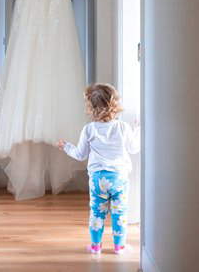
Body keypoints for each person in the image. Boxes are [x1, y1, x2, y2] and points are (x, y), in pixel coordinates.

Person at [56, 83, 140, 255]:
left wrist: (65, 146)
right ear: (115, 105)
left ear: (91, 108)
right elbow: (134, 148)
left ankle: (95, 246)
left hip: (97, 180)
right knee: (120, 213)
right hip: (119, 178)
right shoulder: (123, 127)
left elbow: (80, 154)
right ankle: (119, 247)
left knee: (96, 213)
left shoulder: (89, 130)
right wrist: (137, 130)